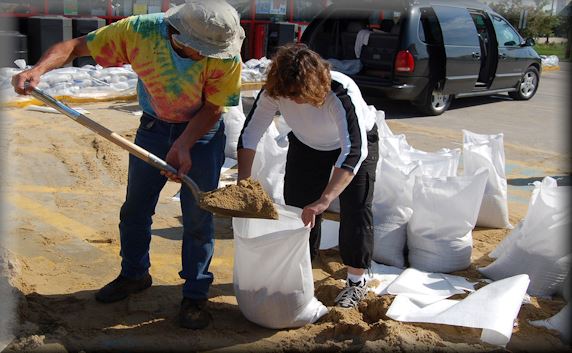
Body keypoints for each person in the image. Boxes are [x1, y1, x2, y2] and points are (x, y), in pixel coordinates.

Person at [12, 0, 245, 329]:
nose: (209, 57)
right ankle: (134, 274)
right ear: (178, 36)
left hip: (201, 134)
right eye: (201, 50)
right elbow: (75, 46)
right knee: (135, 209)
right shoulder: (140, 32)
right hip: (153, 127)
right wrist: (37, 70)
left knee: (197, 215)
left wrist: (184, 144)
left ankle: (195, 293)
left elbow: (214, 108)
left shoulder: (224, 51)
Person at [237, 43, 379, 308]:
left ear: (313, 84)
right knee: (298, 208)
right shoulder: (274, 91)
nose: (293, 100)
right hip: (306, 143)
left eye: (298, 93)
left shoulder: (339, 91)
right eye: (287, 94)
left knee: (356, 207)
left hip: (352, 145)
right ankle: (301, 272)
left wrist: (324, 200)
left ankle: (356, 281)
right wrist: (243, 182)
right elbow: (250, 134)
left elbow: (353, 151)